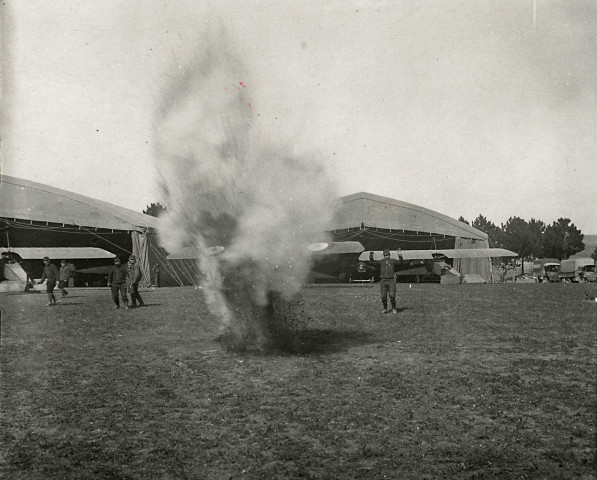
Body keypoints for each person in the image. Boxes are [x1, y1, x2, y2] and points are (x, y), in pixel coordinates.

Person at [377, 249, 402, 314]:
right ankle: (385, 308)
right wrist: (371, 257)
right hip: (383, 281)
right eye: (385, 255)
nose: (386, 257)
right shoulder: (381, 262)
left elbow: (400, 262)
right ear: (383, 256)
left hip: (391, 280)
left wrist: (400, 255)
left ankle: (394, 308)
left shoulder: (392, 261)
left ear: (389, 255)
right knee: (383, 296)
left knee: (392, 296)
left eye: (387, 255)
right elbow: (372, 262)